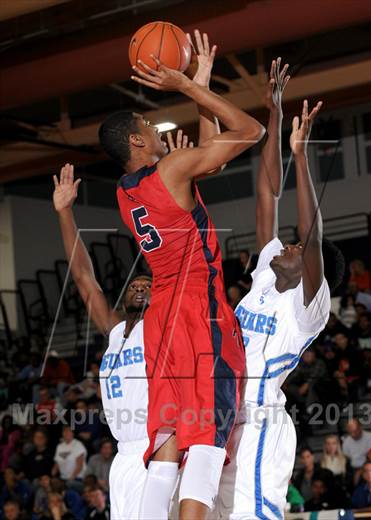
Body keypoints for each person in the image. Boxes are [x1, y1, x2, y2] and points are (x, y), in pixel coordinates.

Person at [104, 30, 265, 520]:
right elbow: (251, 131)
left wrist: (202, 84)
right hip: (199, 310)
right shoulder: (170, 170)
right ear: (136, 139)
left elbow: (204, 163)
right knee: (208, 439)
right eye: (148, 125)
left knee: (168, 441)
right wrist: (188, 88)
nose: (155, 128)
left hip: (161, 322)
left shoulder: (126, 191)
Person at [211, 59, 345, 518]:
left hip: (262, 422)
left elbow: (312, 236)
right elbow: (268, 196)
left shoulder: (307, 309)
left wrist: (301, 155)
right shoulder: (267, 273)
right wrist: (274, 114)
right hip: (225, 414)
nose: (286, 244)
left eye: (295, 247)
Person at [53, 163, 151, 519]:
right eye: (135, 286)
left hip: (154, 449)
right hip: (123, 455)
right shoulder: (114, 330)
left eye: (148, 287)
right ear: (123, 295)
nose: (140, 289)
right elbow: (82, 275)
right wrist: (65, 212)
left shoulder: (158, 329)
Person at [52, 426, 87, 490]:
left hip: (77, 478)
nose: (67, 433)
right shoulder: (59, 446)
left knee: (68, 485)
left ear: (73, 433)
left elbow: (80, 466)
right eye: (65, 431)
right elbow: (56, 464)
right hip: (63, 478)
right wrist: (51, 476)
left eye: (69, 431)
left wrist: (71, 478)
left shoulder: (78, 445)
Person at [342, 418, 371, 483]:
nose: (352, 434)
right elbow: (347, 458)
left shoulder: (370, 437)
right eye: (350, 432)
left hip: (367, 465)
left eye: (354, 431)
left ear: (360, 427)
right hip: (352, 468)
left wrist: (361, 470)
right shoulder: (346, 441)